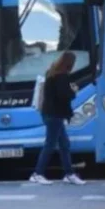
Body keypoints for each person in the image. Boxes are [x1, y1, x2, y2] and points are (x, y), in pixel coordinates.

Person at [29, 51, 86, 185]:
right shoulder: (62, 77)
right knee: (50, 144)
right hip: (55, 115)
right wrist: (73, 91)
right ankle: (37, 173)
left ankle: (69, 173)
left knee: (64, 144)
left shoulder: (51, 73)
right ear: (69, 64)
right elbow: (64, 96)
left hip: (49, 113)